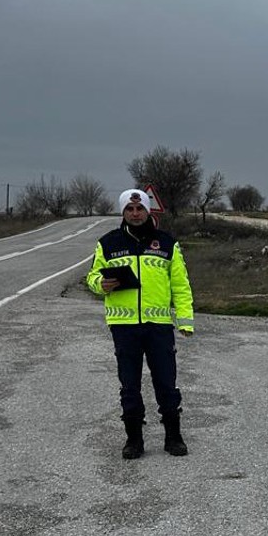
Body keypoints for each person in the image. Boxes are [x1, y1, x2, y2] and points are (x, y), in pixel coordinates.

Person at [86, 189, 195, 460]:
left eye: (139, 209)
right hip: (124, 326)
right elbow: (92, 277)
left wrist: (185, 320)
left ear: (148, 211)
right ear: (123, 212)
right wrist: (101, 284)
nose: (135, 214)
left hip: (158, 325)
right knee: (129, 385)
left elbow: (180, 285)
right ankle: (134, 439)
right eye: (129, 209)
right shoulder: (107, 243)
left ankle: (173, 436)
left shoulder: (167, 243)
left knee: (166, 382)